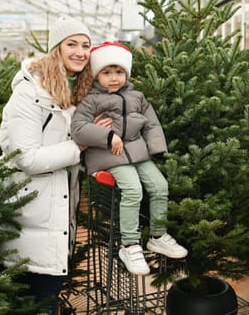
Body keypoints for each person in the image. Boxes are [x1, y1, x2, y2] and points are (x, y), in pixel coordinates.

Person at [0, 16, 102, 314]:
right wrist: (79, 146)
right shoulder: (29, 95)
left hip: (55, 209)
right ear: (56, 48)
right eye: (72, 44)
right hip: (32, 210)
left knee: (45, 298)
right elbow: (26, 158)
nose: (81, 51)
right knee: (40, 299)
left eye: (86, 45)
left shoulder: (71, 94)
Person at [71, 41, 188, 275]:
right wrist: (107, 135)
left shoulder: (137, 96)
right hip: (108, 155)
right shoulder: (91, 100)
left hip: (137, 152)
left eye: (119, 72)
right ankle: (130, 244)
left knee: (160, 186)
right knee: (133, 190)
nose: (114, 78)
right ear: (96, 75)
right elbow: (78, 129)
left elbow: (152, 123)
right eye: (107, 72)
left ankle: (157, 235)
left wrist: (156, 149)